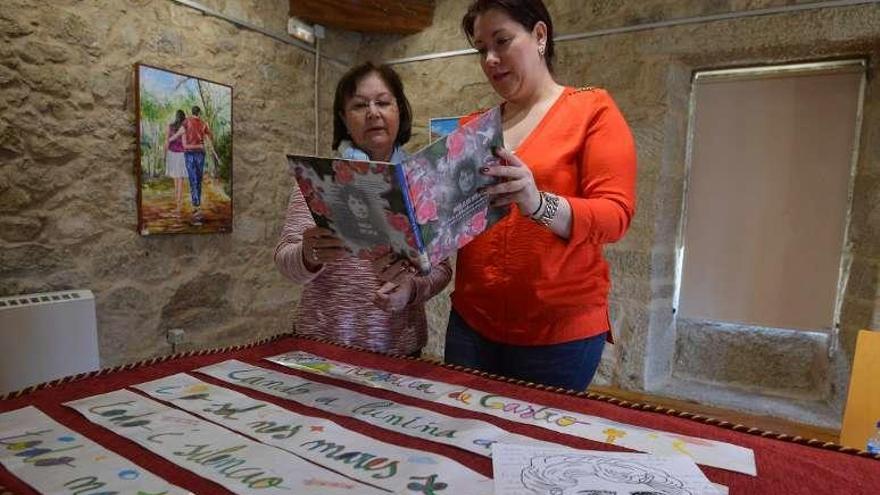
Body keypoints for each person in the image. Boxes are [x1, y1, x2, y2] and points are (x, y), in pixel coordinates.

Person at [444, 0, 637, 390]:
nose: (491, 60)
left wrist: (536, 203)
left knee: (531, 448)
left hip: (558, 332)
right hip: (472, 322)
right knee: (462, 440)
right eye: (482, 49)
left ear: (539, 36)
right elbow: (455, 221)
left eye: (502, 41)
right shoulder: (474, 126)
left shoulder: (592, 109)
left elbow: (615, 216)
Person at [275, 62, 453, 356]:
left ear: (399, 111)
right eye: (359, 105)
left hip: (399, 347)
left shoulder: (423, 183)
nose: (373, 112)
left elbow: (442, 269)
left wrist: (411, 289)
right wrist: (307, 255)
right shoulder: (318, 178)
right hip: (322, 344)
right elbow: (285, 261)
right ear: (344, 119)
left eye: (383, 102)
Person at [182, 106, 219, 225]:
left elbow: (181, 135)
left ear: (192, 112)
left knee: (193, 179)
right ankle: (196, 206)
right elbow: (209, 138)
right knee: (198, 179)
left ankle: (196, 206)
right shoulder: (203, 123)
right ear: (199, 113)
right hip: (200, 154)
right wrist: (215, 154)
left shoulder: (186, 121)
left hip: (189, 154)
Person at [164, 110, 188, 215]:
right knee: (180, 182)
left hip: (171, 155)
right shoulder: (184, 129)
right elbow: (185, 143)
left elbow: (166, 142)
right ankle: (178, 207)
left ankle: (177, 206)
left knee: (175, 181)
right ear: (183, 118)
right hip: (181, 155)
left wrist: (164, 155)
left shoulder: (170, 126)